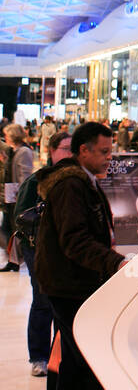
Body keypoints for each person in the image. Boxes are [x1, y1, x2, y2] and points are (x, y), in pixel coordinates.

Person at [35, 122, 126, 390]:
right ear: (83, 151)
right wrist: (114, 262)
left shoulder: (81, 181)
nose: (108, 158)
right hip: (68, 285)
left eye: (110, 151)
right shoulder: (71, 185)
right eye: (103, 152)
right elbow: (74, 241)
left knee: (76, 362)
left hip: (73, 283)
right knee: (88, 360)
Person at [14, 128, 72, 376]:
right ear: (52, 151)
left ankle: (59, 354)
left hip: (64, 252)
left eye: (72, 149)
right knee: (42, 300)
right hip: (37, 249)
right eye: (64, 149)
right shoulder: (37, 181)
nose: (69, 154)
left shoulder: (76, 181)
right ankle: (38, 356)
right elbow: (21, 218)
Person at [2, 124, 35, 272]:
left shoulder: (24, 152)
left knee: (13, 228)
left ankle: (16, 258)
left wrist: (22, 195)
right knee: (9, 227)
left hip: (17, 196)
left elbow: (25, 175)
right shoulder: (15, 150)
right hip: (11, 195)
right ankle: (13, 259)